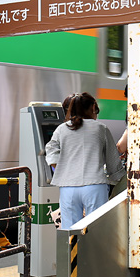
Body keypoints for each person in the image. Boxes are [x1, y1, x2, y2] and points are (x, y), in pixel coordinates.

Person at [45, 92, 124, 229]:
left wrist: (62, 168)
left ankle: (73, 244)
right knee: (96, 230)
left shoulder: (61, 129)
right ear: (93, 107)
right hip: (95, 185)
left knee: (70, 230)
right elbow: (113, 163)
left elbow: (51, 150)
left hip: (68, 187)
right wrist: (118, 179)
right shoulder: (101, 128)